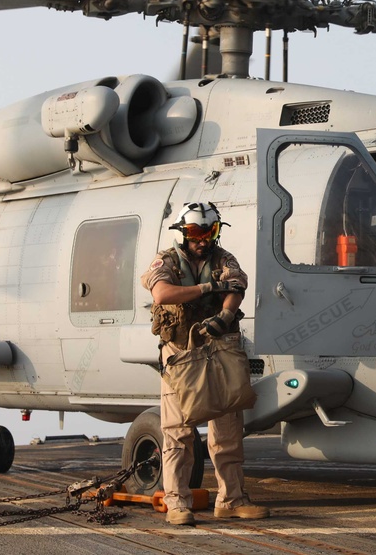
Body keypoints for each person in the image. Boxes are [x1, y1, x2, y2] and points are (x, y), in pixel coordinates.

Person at [140, 202, 269, 526]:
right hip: (180, 355)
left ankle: (231, 499)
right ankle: (178, 503)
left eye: (209, 232)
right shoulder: (166, 261)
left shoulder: (223, 258)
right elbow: (162, 293)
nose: (202, 239)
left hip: (218, 351)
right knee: (178, 434)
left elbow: (236, 286)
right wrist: (206, 289)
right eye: (196, 233)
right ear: (183, 234)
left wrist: (225, 316)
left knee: (227, 431)